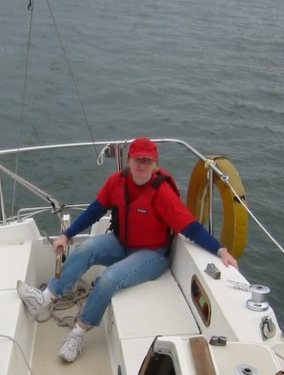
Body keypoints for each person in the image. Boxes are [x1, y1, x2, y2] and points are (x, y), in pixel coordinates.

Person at [17, 137, 238, 363]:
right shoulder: (117, 181)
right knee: (86, 248)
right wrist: (66, 235)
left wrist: (220, 250)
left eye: (147, 161)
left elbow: (190, 227)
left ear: (155, 164)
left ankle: (77, 334)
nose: (142, 165)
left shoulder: (161, 191)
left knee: (107, 279)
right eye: (137, 160)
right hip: (121, 242)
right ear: (129, 160)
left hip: (152, 255)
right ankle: (43, 299)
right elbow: (94, 211)